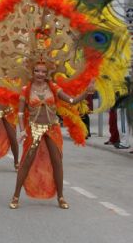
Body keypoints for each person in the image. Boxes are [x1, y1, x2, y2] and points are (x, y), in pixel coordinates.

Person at [9, 61, 95, 210]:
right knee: (26, 162)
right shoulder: (26, 90)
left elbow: (71, 100)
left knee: (57, 161)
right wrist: (22, 130)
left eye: (43, 72)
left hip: (52, 128)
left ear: (47, 73)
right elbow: (21, 113)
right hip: (34, 128)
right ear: (32, 72)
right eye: (37, 71)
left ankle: (60, 196)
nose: (40, 74)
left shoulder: (53, 88)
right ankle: (16, 195)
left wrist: (86, 92)